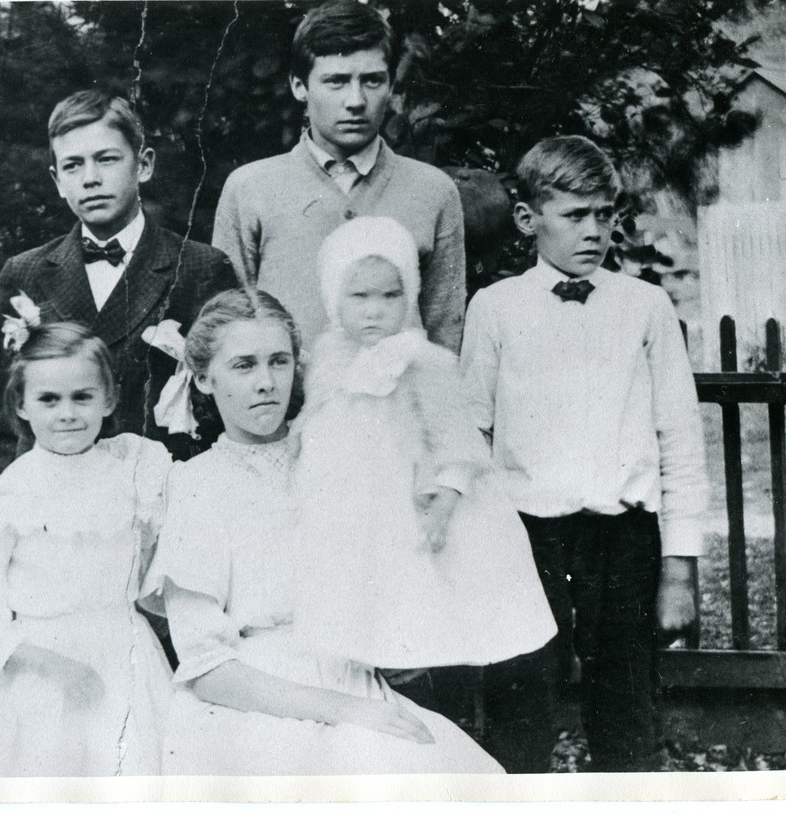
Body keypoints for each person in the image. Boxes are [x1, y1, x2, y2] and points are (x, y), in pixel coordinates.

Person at [140, 289, 503, 775]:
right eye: (244, 366)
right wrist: (352, 713)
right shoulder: (195, 484)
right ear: (204, 379)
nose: (267, 382)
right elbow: (208, 669)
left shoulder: (335, 455)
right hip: (256, 702)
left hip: (357, 682)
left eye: (279, 361)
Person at [460, 135, 709, 772]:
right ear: (527, 219)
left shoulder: (645, 307)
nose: (594, 231)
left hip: (623, 540)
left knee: (626, 710)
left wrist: (679, 569)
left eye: (605, 214)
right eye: (575, 215)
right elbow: (473, 438)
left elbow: (679, 439)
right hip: (528, 539)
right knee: (521, 705)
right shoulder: (494, 309)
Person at [0, 322, 173, 777]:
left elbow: (151, 572)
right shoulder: (5, 496)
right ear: (22, 406)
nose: (67, 413)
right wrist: (56, 667)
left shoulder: (136, 472)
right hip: (38, 665)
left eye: (82, 397)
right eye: (49, 399)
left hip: (127, 656)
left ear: (108, 400)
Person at [291, 216, 556, 670]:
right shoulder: (328, 359)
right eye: (359, 296)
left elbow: (456, 440)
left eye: (390, 296)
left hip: (409, 503)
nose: (374, 311)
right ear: (334, 297)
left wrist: (443, 505)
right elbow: (313, 422)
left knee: (416, 602)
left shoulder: (423, 361)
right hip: (346, 504)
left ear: (409, 296)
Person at [0, 89, 237, 462]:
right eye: (73, 165)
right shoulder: (26, 272)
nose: (90, 178)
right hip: (54, 493)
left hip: (162, 486)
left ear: (144, 165)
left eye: (106, 159)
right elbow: (2, 419)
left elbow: (223, 404)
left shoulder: (201, 267)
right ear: (57, 180)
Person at [212, 0, 466, 352]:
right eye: (336, 81)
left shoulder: (433, 190)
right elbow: (226, 330)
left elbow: (445, 335)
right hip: (290, 405)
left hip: (399, 404)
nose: (356, 100)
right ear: (300, 86)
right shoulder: (250, 188)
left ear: (391, 85)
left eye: (373, 80)